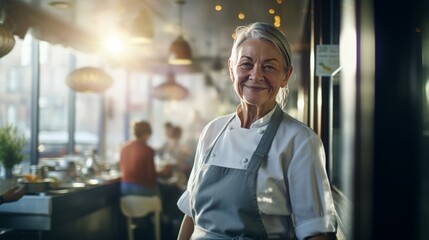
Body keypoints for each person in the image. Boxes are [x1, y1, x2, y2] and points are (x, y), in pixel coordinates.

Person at [176, 22, 337, 240]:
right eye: (246, 64)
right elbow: (191, 216)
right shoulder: (212, 132)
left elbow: (316, 233)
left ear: (286, 76)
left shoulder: (300, 142)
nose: (256, 75)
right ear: (232, 69)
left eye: (269, 67)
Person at [119, 121, 170, 240]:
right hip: (142, 192)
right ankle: (162, 221)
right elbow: (150, 176)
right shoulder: (148, 150)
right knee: (164, 191)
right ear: (147, 133)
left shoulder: (124, 148)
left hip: (125, 190)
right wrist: (164, 171)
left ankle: (142, 225)